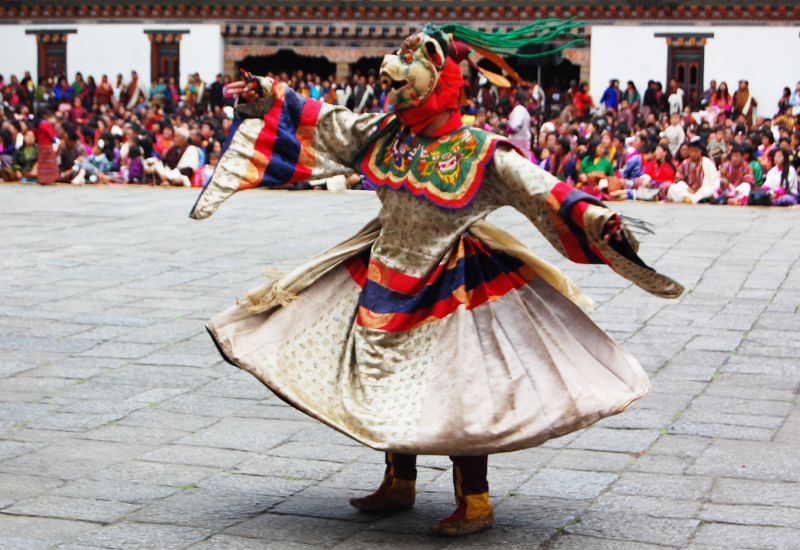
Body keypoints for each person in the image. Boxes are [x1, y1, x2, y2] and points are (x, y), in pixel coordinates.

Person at [192, 23, 682, 538]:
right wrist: (269, 92)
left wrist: (596, 219)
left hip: (454, 283)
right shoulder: (385, 133)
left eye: (409, 71)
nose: (393, 81)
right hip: (383, 270)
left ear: (439, 80)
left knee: (459, 389)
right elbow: (327, 122)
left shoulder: (479, 150)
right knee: (386, 377)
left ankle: (475, 500)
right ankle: (399, 480)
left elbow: (542, 190)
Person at [666, 138, 719, 203]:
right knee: (673, 187)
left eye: (695, 151)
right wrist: (686, 188)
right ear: (689, 151)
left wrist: (698, 190)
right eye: (691, 151)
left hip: (701, 190)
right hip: (687, 191)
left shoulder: (707, 162)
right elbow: (678, 179)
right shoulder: (685, 163)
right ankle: (689, 198)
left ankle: (692, 199)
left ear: (700, 152)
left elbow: (713, 181)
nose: (693, 154)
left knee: (709, 189)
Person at [506, 89, 531, 158]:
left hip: (518, 143)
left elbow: (514, 127)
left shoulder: (519, 108)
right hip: (522, 142)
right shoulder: (523, 110)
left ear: (516, 100)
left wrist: (504, 125)